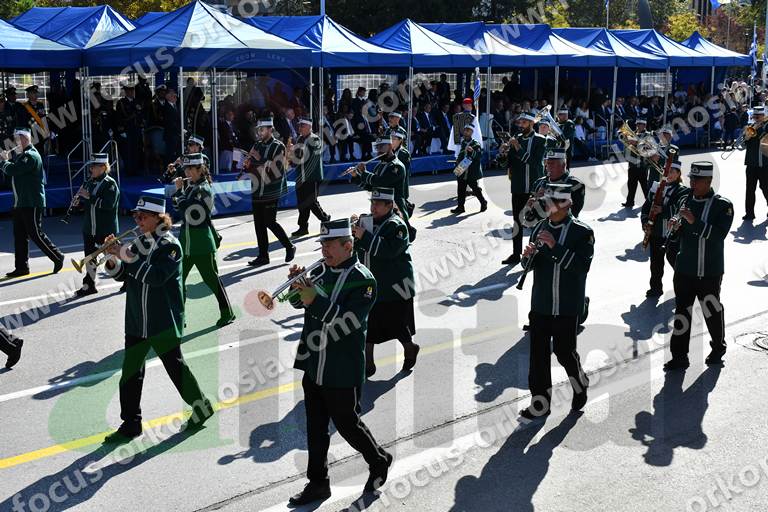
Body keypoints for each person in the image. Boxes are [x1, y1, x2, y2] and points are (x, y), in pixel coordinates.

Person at [286, 218, 393, 505]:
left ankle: (378, 460)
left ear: (348, 246)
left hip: (341, 366)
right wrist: (297, 286)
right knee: (315, 427)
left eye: (330, 245)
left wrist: (314, 299)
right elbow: (297, 302)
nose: (324, 250)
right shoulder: (320, 270)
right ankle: (318, 483)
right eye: (322, 245)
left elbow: (348, 322)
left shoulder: (364, 280)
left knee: (347, 424)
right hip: (314, 363)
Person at [102, 195, 214, 443]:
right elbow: (122, 276)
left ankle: (201, 405)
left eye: (142, 217)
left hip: (162, 320)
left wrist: (125, 256)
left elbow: (155, 277)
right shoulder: (139, 243)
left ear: (158, 218)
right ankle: (131, 423)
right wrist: (112, 258)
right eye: (136, 216)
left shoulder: (170, 246)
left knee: (176, 368)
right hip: (137, 320)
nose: (137, 220)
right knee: (130, 373)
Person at [519, 183, 593, 420]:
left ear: (567, 203)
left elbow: (581, 268)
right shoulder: (540, 227)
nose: (548, 208)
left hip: (566, 305)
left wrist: (554, 247)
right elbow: (530, 266)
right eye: (546, 203)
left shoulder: (582, 232)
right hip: (541, 303)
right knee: (538, 357)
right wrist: (527, 258)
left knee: (564, 352)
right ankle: (540, 404)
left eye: (552, 203)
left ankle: (580, 382)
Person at [665, 161, 734, 371]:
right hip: (684, 268)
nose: (692, 183)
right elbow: (677, 235)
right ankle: (679, 356)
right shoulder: (685, 199)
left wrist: (694, 222)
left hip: (709, 270)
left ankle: (718, 347)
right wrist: (674, 227)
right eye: (691, 179)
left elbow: (718, 236)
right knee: (681, 313)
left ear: (709, 181)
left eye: (697, 180)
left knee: (711, 311)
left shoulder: (723, 206)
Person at [352, 187, 419, 377]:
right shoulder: (368, 222)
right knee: (369, 323)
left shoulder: (397, 225)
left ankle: (410, 347)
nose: (373, 207)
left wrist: (364, 235)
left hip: (395, 285)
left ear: (389, 205)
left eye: (378, 204)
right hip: (372, 283)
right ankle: (368, 363)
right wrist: (353, 232)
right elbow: (358, 249)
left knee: (398, 324)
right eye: (372, 203)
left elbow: (388, 251)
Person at [171, 153, 234, 327]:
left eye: (190, 169)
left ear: (200, 169)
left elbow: (192, 214)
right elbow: (177, 207)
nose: (187, 172)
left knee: (212, 280)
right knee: (177, 281)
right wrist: (179, 193)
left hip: (201, 244)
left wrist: (179, 192)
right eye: (186, 169)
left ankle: (227, 313)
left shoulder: (203, 189)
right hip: (186, 242)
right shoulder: (192, 186)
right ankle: (179, 317)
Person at [1, 128, 64, 277]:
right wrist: (7, 162)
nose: (15, 142)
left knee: (35, 233)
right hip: (21, 202)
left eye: (18, 139)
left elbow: (13, 170)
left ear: (25, 139)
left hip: (31, 201)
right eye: (15, 139)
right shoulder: (22, 156)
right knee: (20, 236)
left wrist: (4, 161)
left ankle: (57, 256)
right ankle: (22, 267)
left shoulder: (31, 155)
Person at [244, 117, 295, 267]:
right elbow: (252, 167)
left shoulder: (278, 146)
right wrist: (247, 164)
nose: (259, 132)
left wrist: (258, 158)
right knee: (259, 224)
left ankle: (289, 246)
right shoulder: (257, 145)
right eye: (259, 130)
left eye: (262, 129)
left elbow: (275, 169)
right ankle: (263, 256)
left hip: (271, 190)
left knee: (269, 222)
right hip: (257, 189)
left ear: (270, 130)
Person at [499, 112, 546, 266]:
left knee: (536, 223)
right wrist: (503, 153)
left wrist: (518, 147)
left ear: (532, 123)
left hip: (534, 188)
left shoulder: (540, 140)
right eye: (520, 122)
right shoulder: (516, 138)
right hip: (518, 186)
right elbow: (507, 164)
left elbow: (534, 162)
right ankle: (516, 254)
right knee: (517, 222)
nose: (521, 125)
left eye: (524, 122)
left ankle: (535, 254)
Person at [74, 153, 120, 298]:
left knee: (112, 259)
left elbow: (108, 205)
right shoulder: (89, 182)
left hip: (105, 230)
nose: (91, 169)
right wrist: (78, 203)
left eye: (93, 166)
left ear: (103, 167)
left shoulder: (110, 184)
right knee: (89, 258)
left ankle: (127, 279)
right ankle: (89, 285)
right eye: (91, 166)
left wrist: (89, 197)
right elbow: (88, 205)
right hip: (89, 228)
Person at [640, 161, 688, 298]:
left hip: (672, 233)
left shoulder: (682, 190)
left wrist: (663, 209)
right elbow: (646, 206)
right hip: (656, 232)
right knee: (655, 264)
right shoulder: (656, 187)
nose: (669, 174)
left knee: (676, 262)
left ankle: (685, 287)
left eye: (672, 171)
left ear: (678, 174)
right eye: (666, 171)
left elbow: (681, 208)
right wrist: (645, 222)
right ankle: (655, 288)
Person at [290, 117, 330, 238]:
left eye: (302, 126)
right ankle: (303, 227)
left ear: (309, 127)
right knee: (302, 203)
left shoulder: (314, 139)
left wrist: (295, 152)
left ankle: (325, 219)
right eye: (299, 126)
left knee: (311, 202)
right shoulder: (300, 138)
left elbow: (311, 155)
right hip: (301, 176)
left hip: (311, 176)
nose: (300, 128)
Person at [523, 148, 585, 225]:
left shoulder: (576, 185)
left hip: (564, 228)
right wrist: (529, 206)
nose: (548, 167)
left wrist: (547, 198)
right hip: (540, 228)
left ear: (563, 165)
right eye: (547, 163)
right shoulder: (539, 183)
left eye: (552, 164)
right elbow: (529, 219)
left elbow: (573, 213)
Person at [451, 123, 488, 214]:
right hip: (462, 167)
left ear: (471, 132)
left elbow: (478, 156)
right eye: (465, 130)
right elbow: (461, 154)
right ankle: (460, 207)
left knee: (475, 188)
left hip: (470, 170)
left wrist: (472, 151)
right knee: (460, 189)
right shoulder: (463, 142)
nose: (466, 132)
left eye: (468, 130)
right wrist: (457, 162)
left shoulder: (475, 144)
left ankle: (483, 202)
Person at [742, 105, 768, 221]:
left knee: (765, 187)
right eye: (755, 116)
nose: (756, 118)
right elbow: (743, 143)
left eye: (759, 116)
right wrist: (748, 134)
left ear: (763, 116)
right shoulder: (750, 127)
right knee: (750, 189)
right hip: (751, 163)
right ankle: (749, 213)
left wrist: (759, 129)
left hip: (764, 164)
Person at [115, 81, 145, 176]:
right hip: (127, 129)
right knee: (128, 151)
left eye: (132, 90)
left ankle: (135, 169)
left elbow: (141, 115)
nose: (131, 92)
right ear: (126, 91)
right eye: (129, 91)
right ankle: (129, 170)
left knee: (137, 150)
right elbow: (120, 117)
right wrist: (122, 130)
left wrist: (141, 125)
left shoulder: (137, 102)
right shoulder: (121, 103)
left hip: (136, 129)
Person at [623, 118, 649, 208]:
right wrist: (626, 141)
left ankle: (649, 202)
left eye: (640, 124)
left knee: (644, 186)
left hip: (642, 164)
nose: (638, 126)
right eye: (637, 124)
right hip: (632, 164)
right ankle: (630, 202)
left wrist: (636, 143)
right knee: (631, 185)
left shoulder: (648, 135)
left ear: (644, 125)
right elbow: (627, 147)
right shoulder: (632, 134)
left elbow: (648, 147)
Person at [17, 85, 48, 156]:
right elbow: (23, 122)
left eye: (36, 93)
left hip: (41, 134)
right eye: (33, 93)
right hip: (31, 136)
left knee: (41, 155)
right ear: (28, 95)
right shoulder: (24, 106)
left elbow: (44, 118)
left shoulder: (40, 105)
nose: (36, 95)